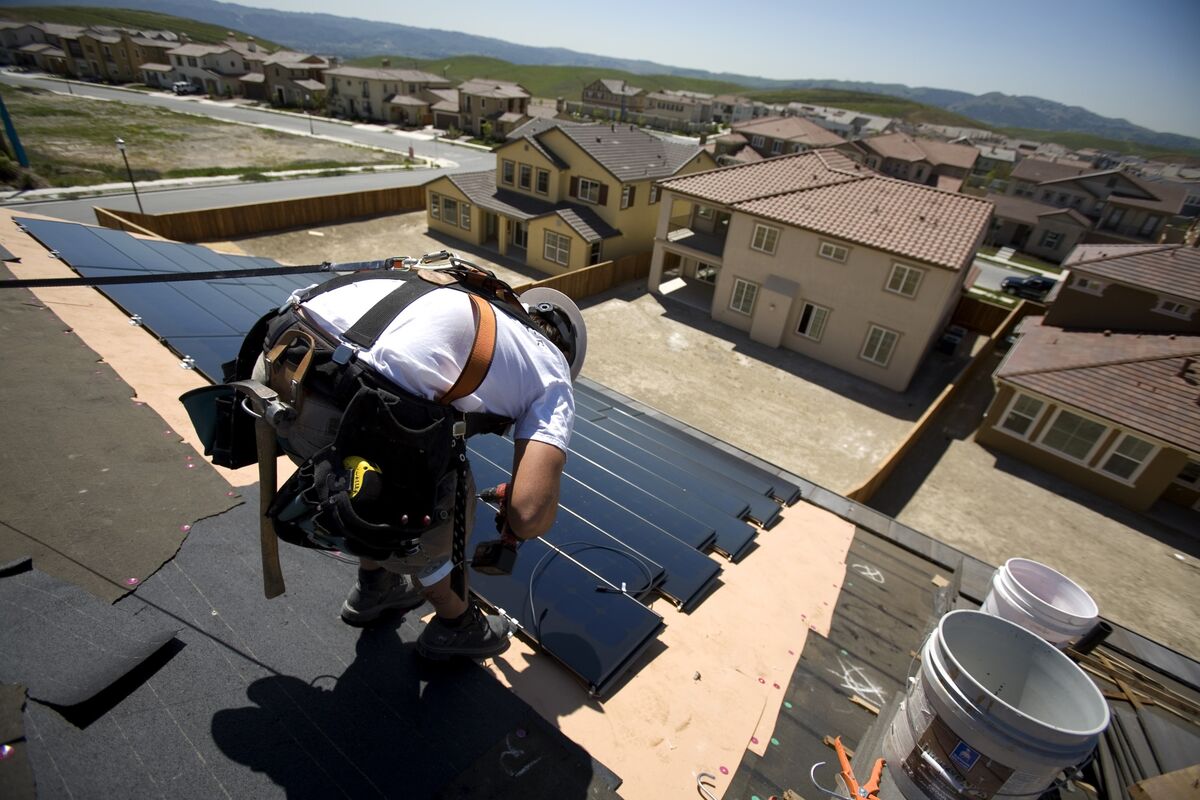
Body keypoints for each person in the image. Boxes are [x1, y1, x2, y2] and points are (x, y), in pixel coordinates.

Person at [258, 258, 584, 660]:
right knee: (431, 494)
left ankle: (374, 587)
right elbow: (528, 514)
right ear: (566, 356)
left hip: (277, 367)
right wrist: (521, 519)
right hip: (348, 411)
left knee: (370, 472)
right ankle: (456, 624)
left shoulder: (465, 297)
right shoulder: (552, 371)